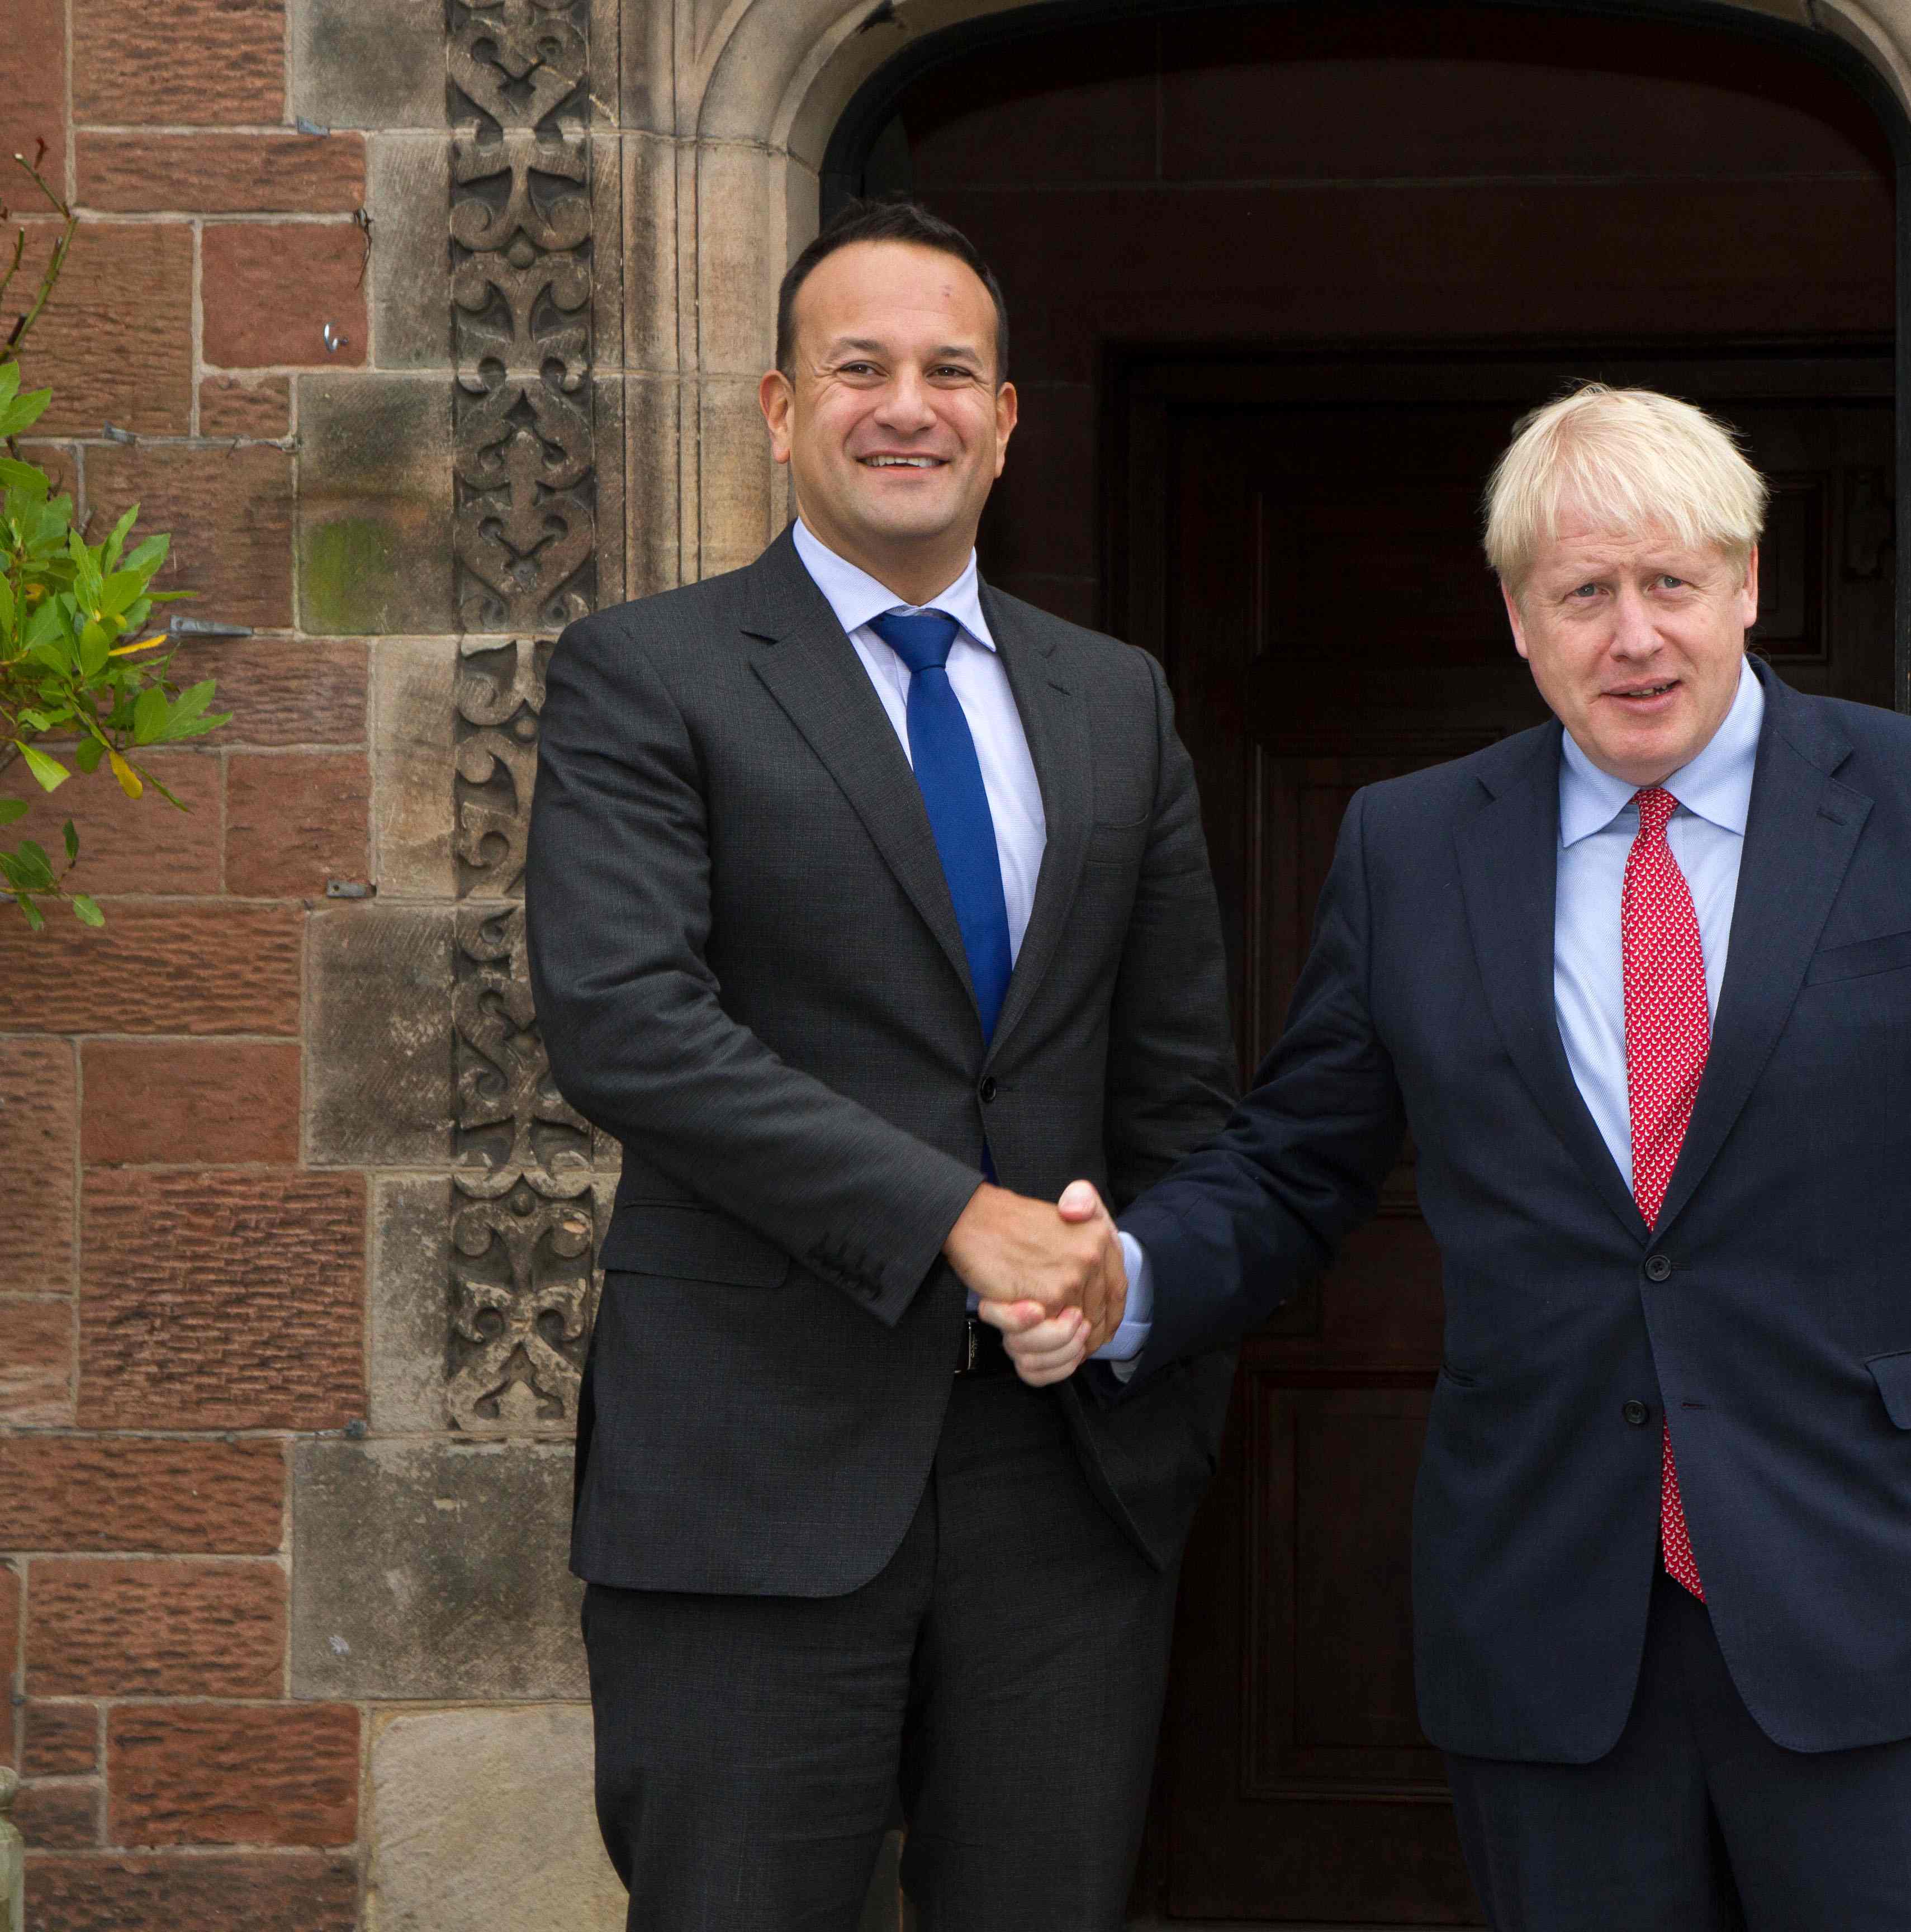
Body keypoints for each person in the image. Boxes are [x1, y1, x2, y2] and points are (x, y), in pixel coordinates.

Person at [990, 385, 1911, 1930]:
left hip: (1889, 1601)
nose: (1634, 637)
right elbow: (1298, 1162)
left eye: (1670, 583)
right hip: (1554, 1626)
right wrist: (1128, 1274)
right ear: (1520, 619)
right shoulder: (1410, 847)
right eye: (1584, 594)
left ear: (1748, 583)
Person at [524, 197, 1233, 1931]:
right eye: (860, 369)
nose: (907, 406)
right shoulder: (649, 674)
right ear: (782, 410)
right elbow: (629, 1024)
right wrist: (955, 1219)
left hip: (1064, 1490)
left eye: (950, 372)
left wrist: (1126, 1287)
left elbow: (1177, 1089)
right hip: (751, 1474)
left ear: (1007, 421)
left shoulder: (1116, 700)